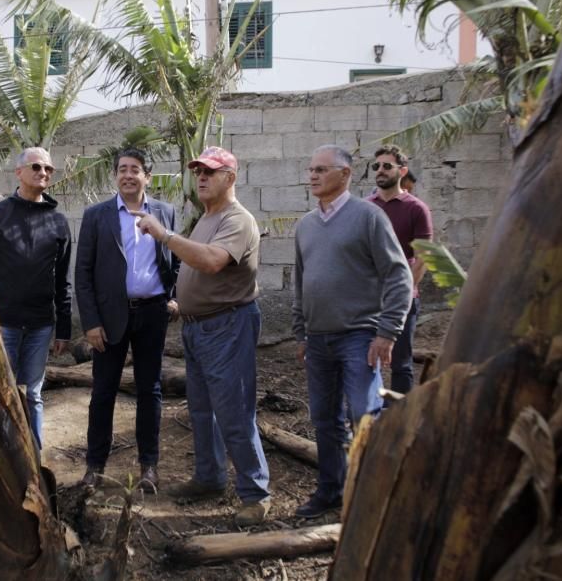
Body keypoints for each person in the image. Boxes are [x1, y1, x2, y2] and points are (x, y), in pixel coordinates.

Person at [131, 146, 271, 528]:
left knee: (234, 410)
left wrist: (164, 235)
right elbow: (197, 264)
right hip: (198, 326)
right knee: (202, 409)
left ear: (231, 177)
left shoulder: (238, 220)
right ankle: (209, 477)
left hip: (227, 325)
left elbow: (211, 261)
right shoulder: (209, 217)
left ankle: (255, 494)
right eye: (198, 172)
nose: (202, 178)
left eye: (210, 171)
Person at [291, 145, 412, 519]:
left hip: (360, 334)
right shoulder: (306, 225)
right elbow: (301, 281)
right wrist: (300, 332)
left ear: (345, 174)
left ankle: (371, 496)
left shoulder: (368, 217)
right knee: (324, 418)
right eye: (310, 169)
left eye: (321, 169)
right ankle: (331, 490)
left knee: (364, 414)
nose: (312, 175)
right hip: (318, 339)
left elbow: (399, 275)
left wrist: (387, 333)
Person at [76, 147, 180, 492]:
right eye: (122, 169)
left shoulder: (165, 212)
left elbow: (175, 260)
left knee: (150, 390)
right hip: (109, 317)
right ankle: (95, 466)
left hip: (152, 313)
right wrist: (90, 322)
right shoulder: (97, 216)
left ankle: (149, 466)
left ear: (146, 176)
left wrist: (173, 296)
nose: (128, 175)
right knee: (103, 392)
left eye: (135, 169)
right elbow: (83, 272)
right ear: (115, 175)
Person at [0, 147, 71, 449]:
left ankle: (33, 458)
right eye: (36, 167)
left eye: (48, 169)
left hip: (40, 325)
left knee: (32, 393)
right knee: (1, 392)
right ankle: (4, 456)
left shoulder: (58, 222)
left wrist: (64, 329)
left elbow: (62, 280)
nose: (43, 173)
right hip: (3, 322)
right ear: (18, 172)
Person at [366, 146, 433, 395]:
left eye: (387, 166)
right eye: (376, 166)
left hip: (402, 300)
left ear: (402, 171)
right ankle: (369, 419)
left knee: (401, 364)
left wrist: (406, 293)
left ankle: (399, 417)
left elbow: (424, 257)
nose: (380, 171)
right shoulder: (365, 207)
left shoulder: (416, 209)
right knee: (365, 360)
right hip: (368, 301)